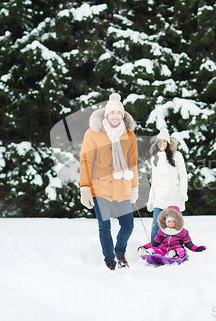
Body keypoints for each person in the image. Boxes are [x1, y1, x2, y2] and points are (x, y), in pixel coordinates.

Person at [79, 93, 139, 270]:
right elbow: (86, 161)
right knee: (104, 227)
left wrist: (134, 187)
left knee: (128, 226)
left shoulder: (129, 135)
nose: (115, 116)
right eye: (112, 113)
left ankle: (119, 252)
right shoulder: (93, 133)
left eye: (118, 113)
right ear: (106, 114)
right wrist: (85, 188)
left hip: (122, 187)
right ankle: (109, 259)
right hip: (100, 188)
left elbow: (132, 163)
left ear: (123, 115)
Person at [147, 128, 188, 240]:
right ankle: (154, 248)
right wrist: (151, 199)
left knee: (175, 226)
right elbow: (154, 180)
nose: (162, 144)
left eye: (164, 141)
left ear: (169, 143)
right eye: (159, 141)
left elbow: (183, 176)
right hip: (159, 197)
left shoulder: (177, 156)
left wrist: (183, 191)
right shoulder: (155, 158)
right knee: (156, 226)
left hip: (174, 196)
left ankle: (175, 248)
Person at [138, 206, 206, 259]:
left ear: (178, 222)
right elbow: (155, 242)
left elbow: (188, 243)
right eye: (169, 222)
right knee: (156, 249)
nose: (171, 224)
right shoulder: (162, 231)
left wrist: (196, 248)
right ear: (165, 222)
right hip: (163, 250)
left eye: (174, 221)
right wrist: (145, 247)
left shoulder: (182, 232)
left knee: (181, 250)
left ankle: (173, 254)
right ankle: (149, 253)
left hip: (176, 249)